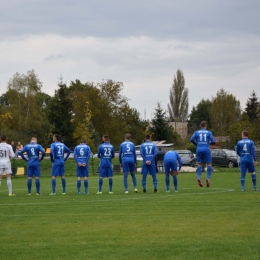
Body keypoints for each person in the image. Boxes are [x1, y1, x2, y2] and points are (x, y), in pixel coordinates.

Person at [190, 121, 215, 187]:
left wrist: (197, 144)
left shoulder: (197, 132)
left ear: (200, 125)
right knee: (209, 164)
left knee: (199, 164)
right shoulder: (209, 132)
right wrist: (209, 143)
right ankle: (208, 178)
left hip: (199, 149)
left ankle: (198, 177)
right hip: (206, 149)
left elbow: (191, 139)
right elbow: (213, 141)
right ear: (206, 125)